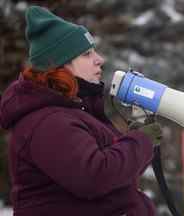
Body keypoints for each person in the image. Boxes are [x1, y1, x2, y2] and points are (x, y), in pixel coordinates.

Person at [0, 6, 162, 216]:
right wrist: (140, 141)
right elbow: (95, 177)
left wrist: (135, 142)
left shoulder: (71, 112)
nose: (99, 59)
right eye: (87, 54)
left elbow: (115, 178)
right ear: (60, 66)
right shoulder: (48, 122)